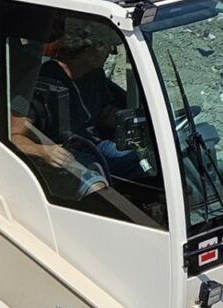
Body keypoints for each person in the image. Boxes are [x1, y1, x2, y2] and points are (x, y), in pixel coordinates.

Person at [9, 24, 144, 197]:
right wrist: (44, 151)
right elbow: (14, 136)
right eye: (105, 47)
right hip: (65, 158)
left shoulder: (94, 74)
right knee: (97, 188)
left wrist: (143, 123)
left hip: (96, 146)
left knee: (146, 158)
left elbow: (104, 113)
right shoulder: (40, 83)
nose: (111, 53)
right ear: (86, 49)